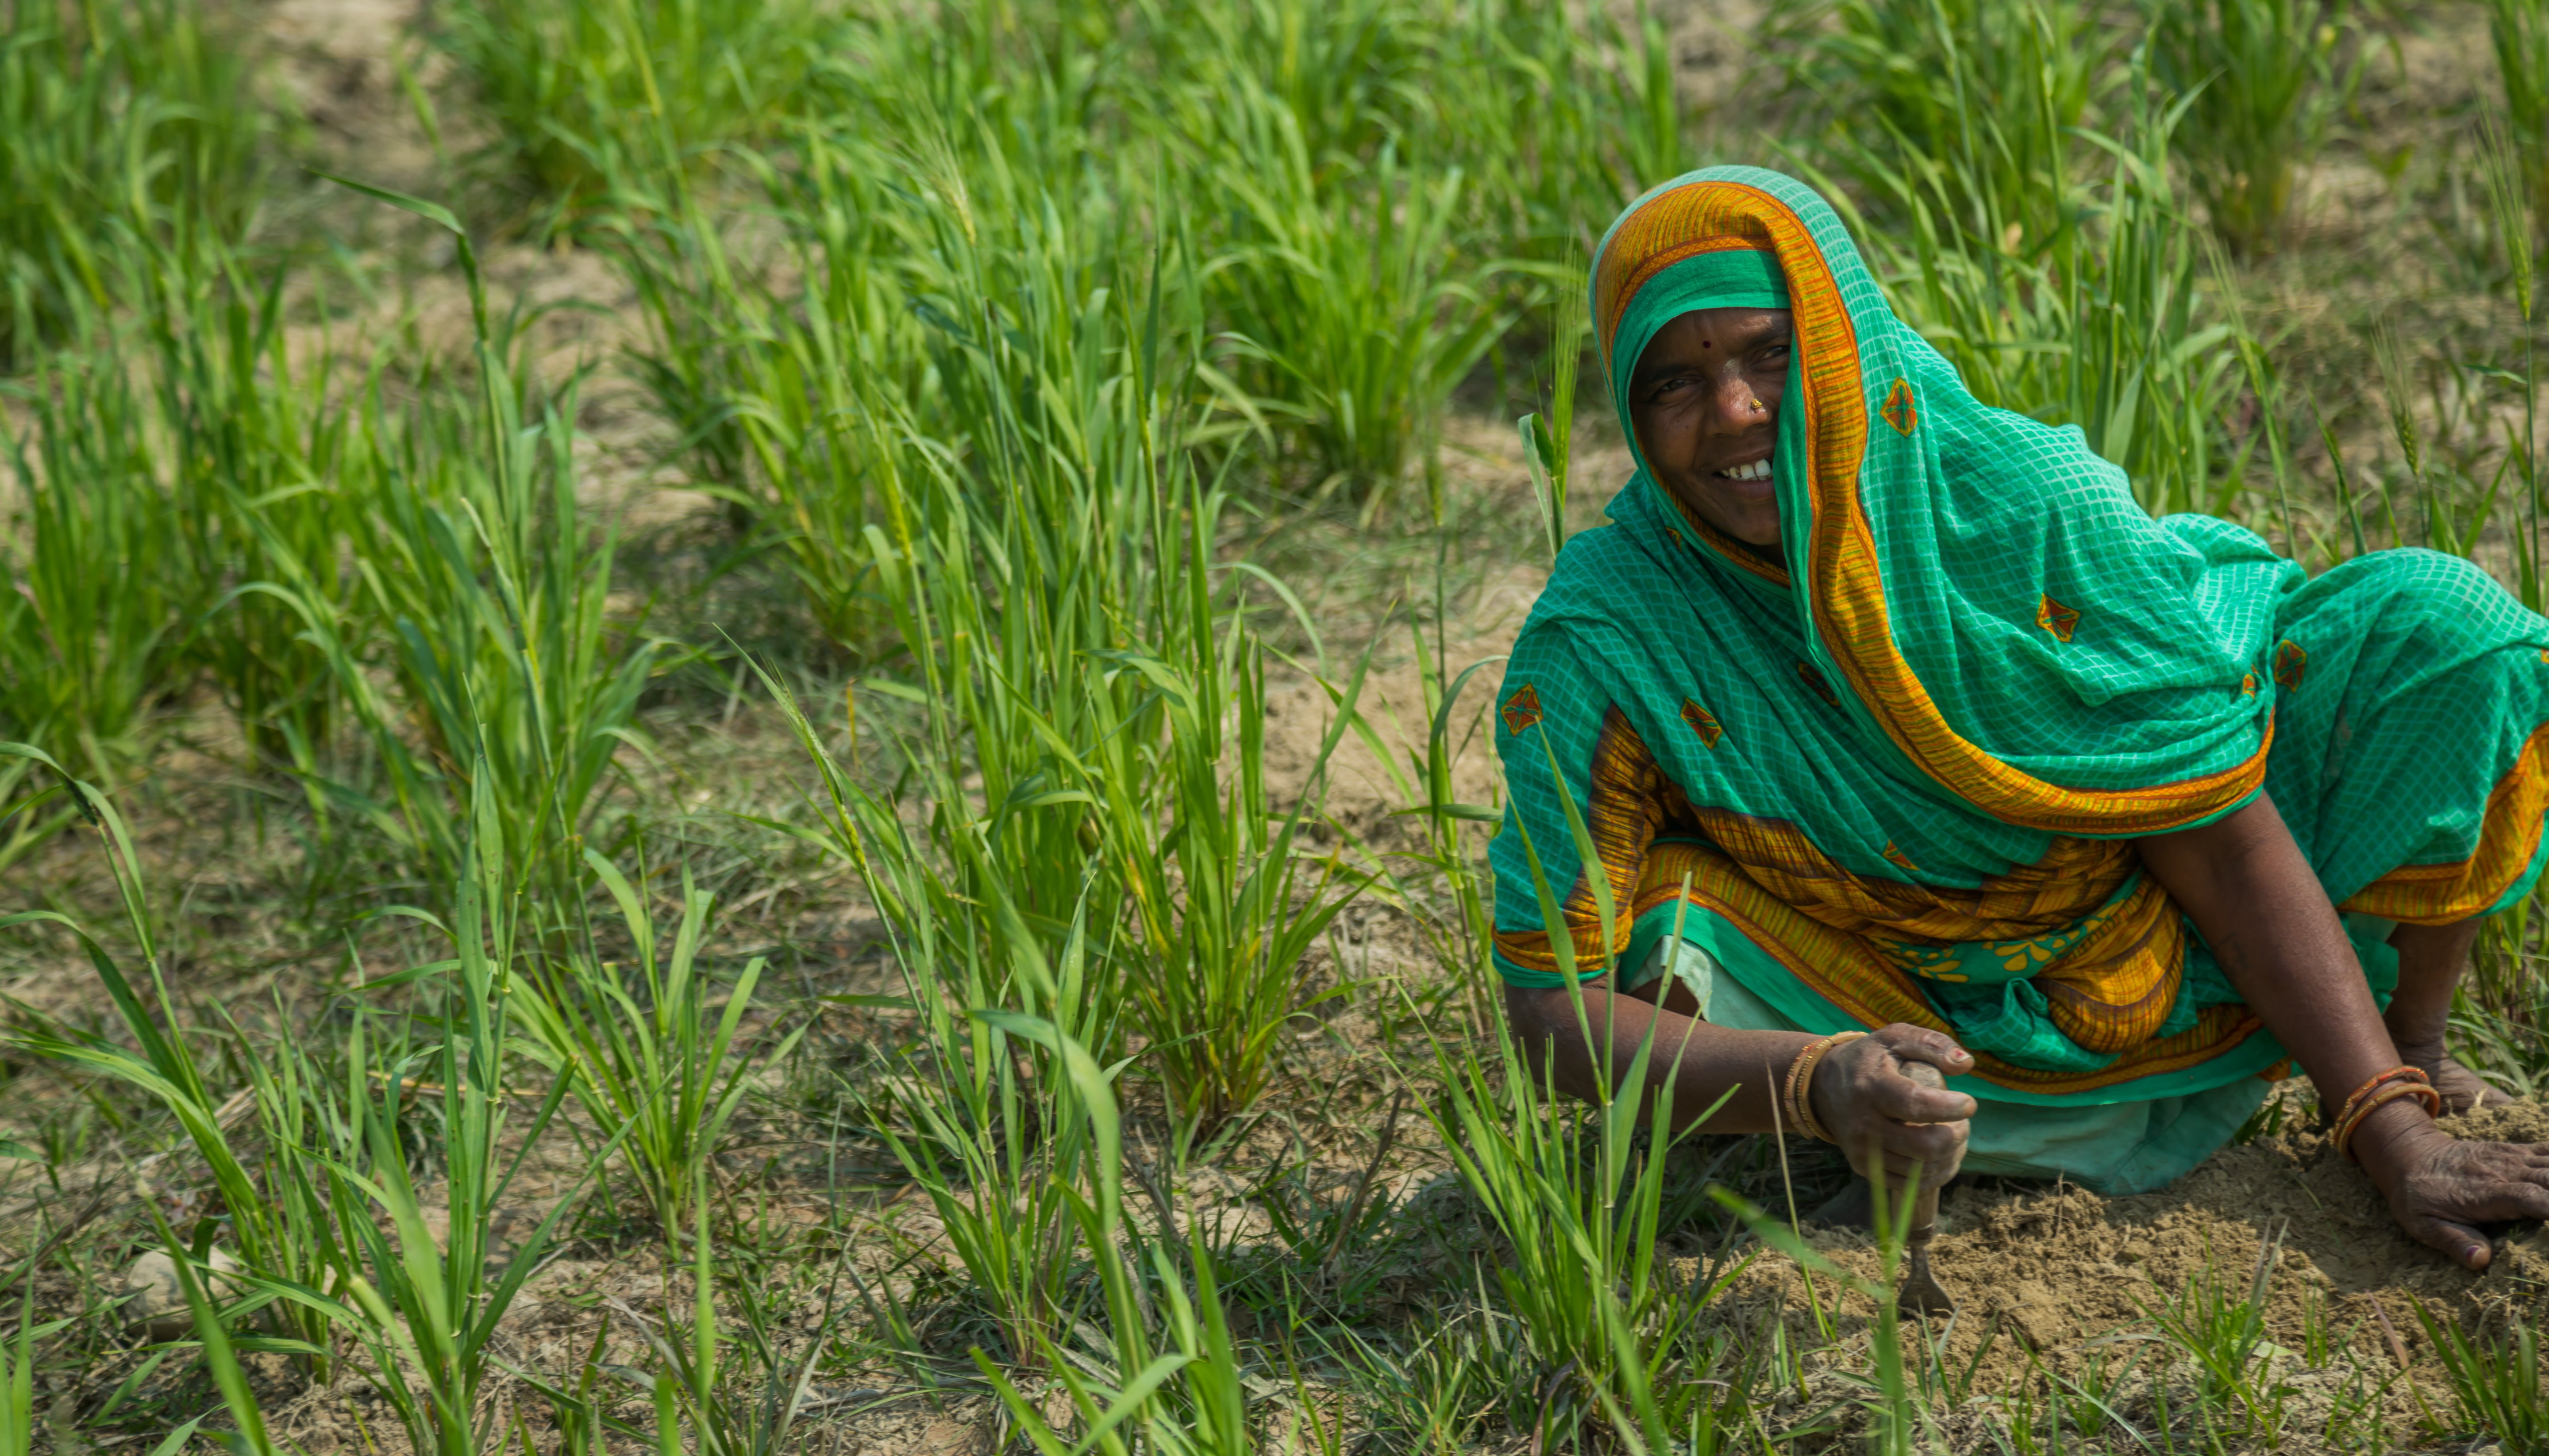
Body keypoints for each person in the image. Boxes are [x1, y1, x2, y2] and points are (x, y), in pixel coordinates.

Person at [1493, 166, 2549, 1269]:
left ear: (1848, 340)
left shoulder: (2024, 503)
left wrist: (2390, 1126)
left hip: (2181, 941)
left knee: (2447, 628)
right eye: (1674, 383)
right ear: (1626, 406)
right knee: (1649, 909)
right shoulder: (1611, 631)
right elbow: (1548, 1013)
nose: (1737, 412)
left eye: (1774, 352)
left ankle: (2405, 1041)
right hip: (1877, 994)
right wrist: (1813, 1079)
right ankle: (1894, 1129)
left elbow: (2216, 837)